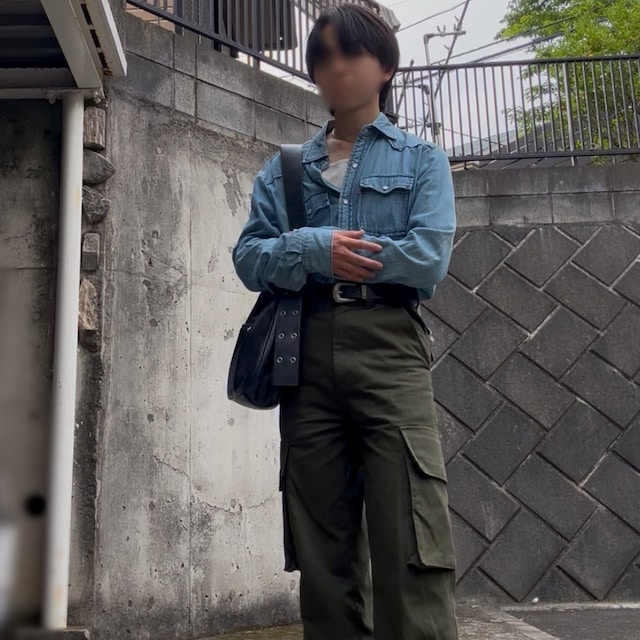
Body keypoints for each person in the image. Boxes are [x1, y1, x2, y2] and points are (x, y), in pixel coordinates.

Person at [232, 4, 458, 639]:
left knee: (410, 529)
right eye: (322, 56)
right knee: (320, 542)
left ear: (384, 66)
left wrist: (337, 253)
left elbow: (428, 257)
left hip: (390, 346)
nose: (335, 67)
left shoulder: (422, 159)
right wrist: (314, 248)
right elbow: (249, 259)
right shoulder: (286, 168)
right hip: (304, 352)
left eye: (350, 53)